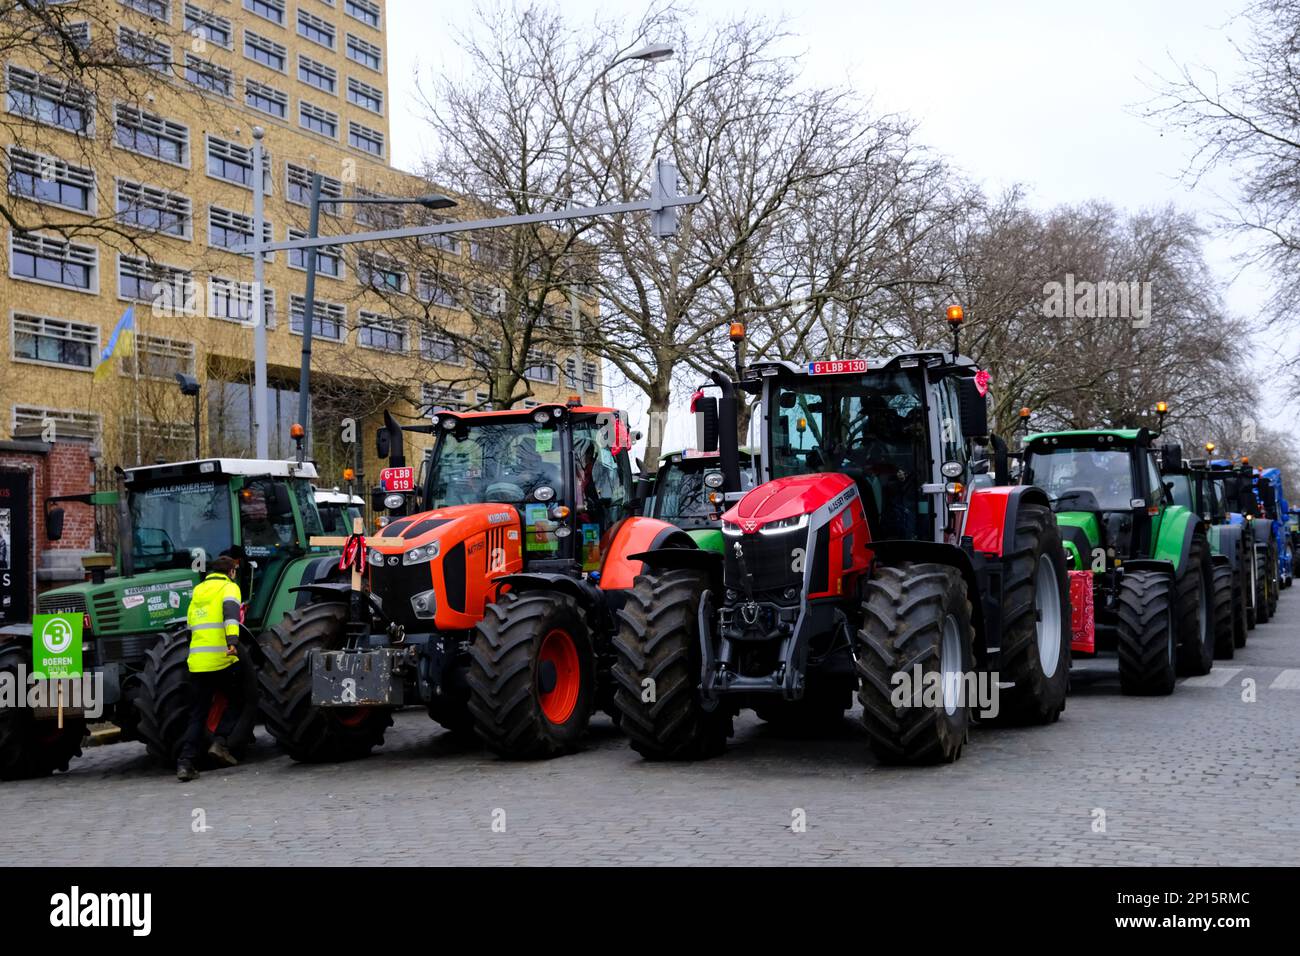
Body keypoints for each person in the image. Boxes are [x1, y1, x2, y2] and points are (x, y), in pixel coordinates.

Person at [176, 555, 247, 782]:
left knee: (198, 714)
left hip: (197, 662)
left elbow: (190, 626)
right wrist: (233, 643)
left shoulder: (199, 590)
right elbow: (231, 616)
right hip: (222, 659)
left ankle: (185, 764)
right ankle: (220, 742)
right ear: (232, 571)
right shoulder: (229, 588)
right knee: (239, 698)